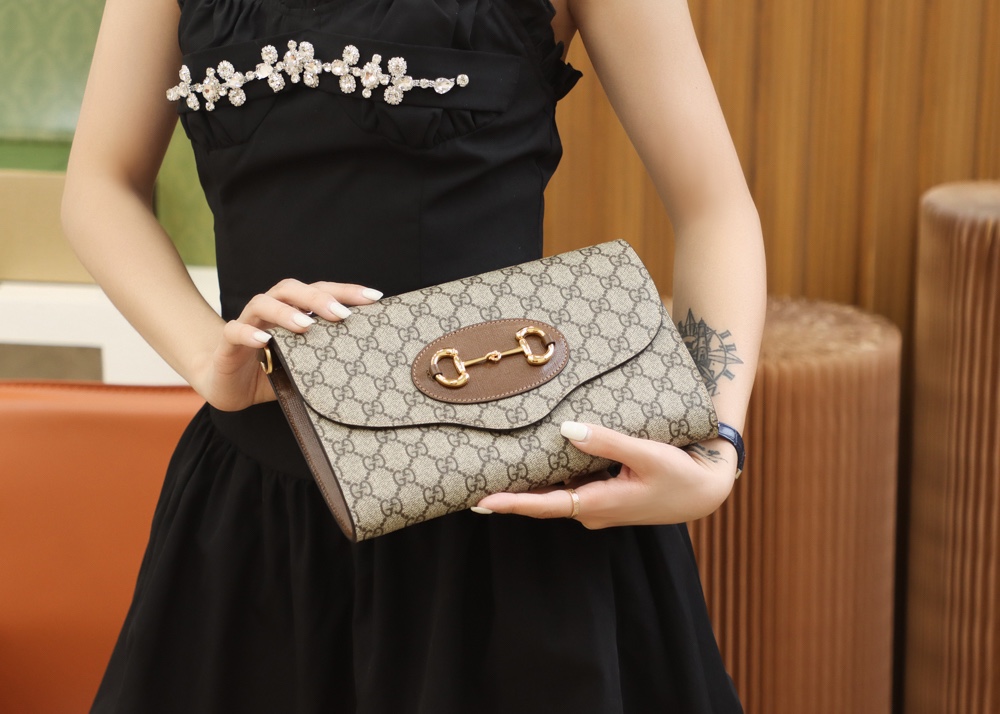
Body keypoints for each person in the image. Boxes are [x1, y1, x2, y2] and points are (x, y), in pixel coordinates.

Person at [63, 0, 766, 710]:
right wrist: (205, 357)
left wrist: (717, 446)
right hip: (259, 522)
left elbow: (713, 208)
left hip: (510, 514)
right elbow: (100, 184)